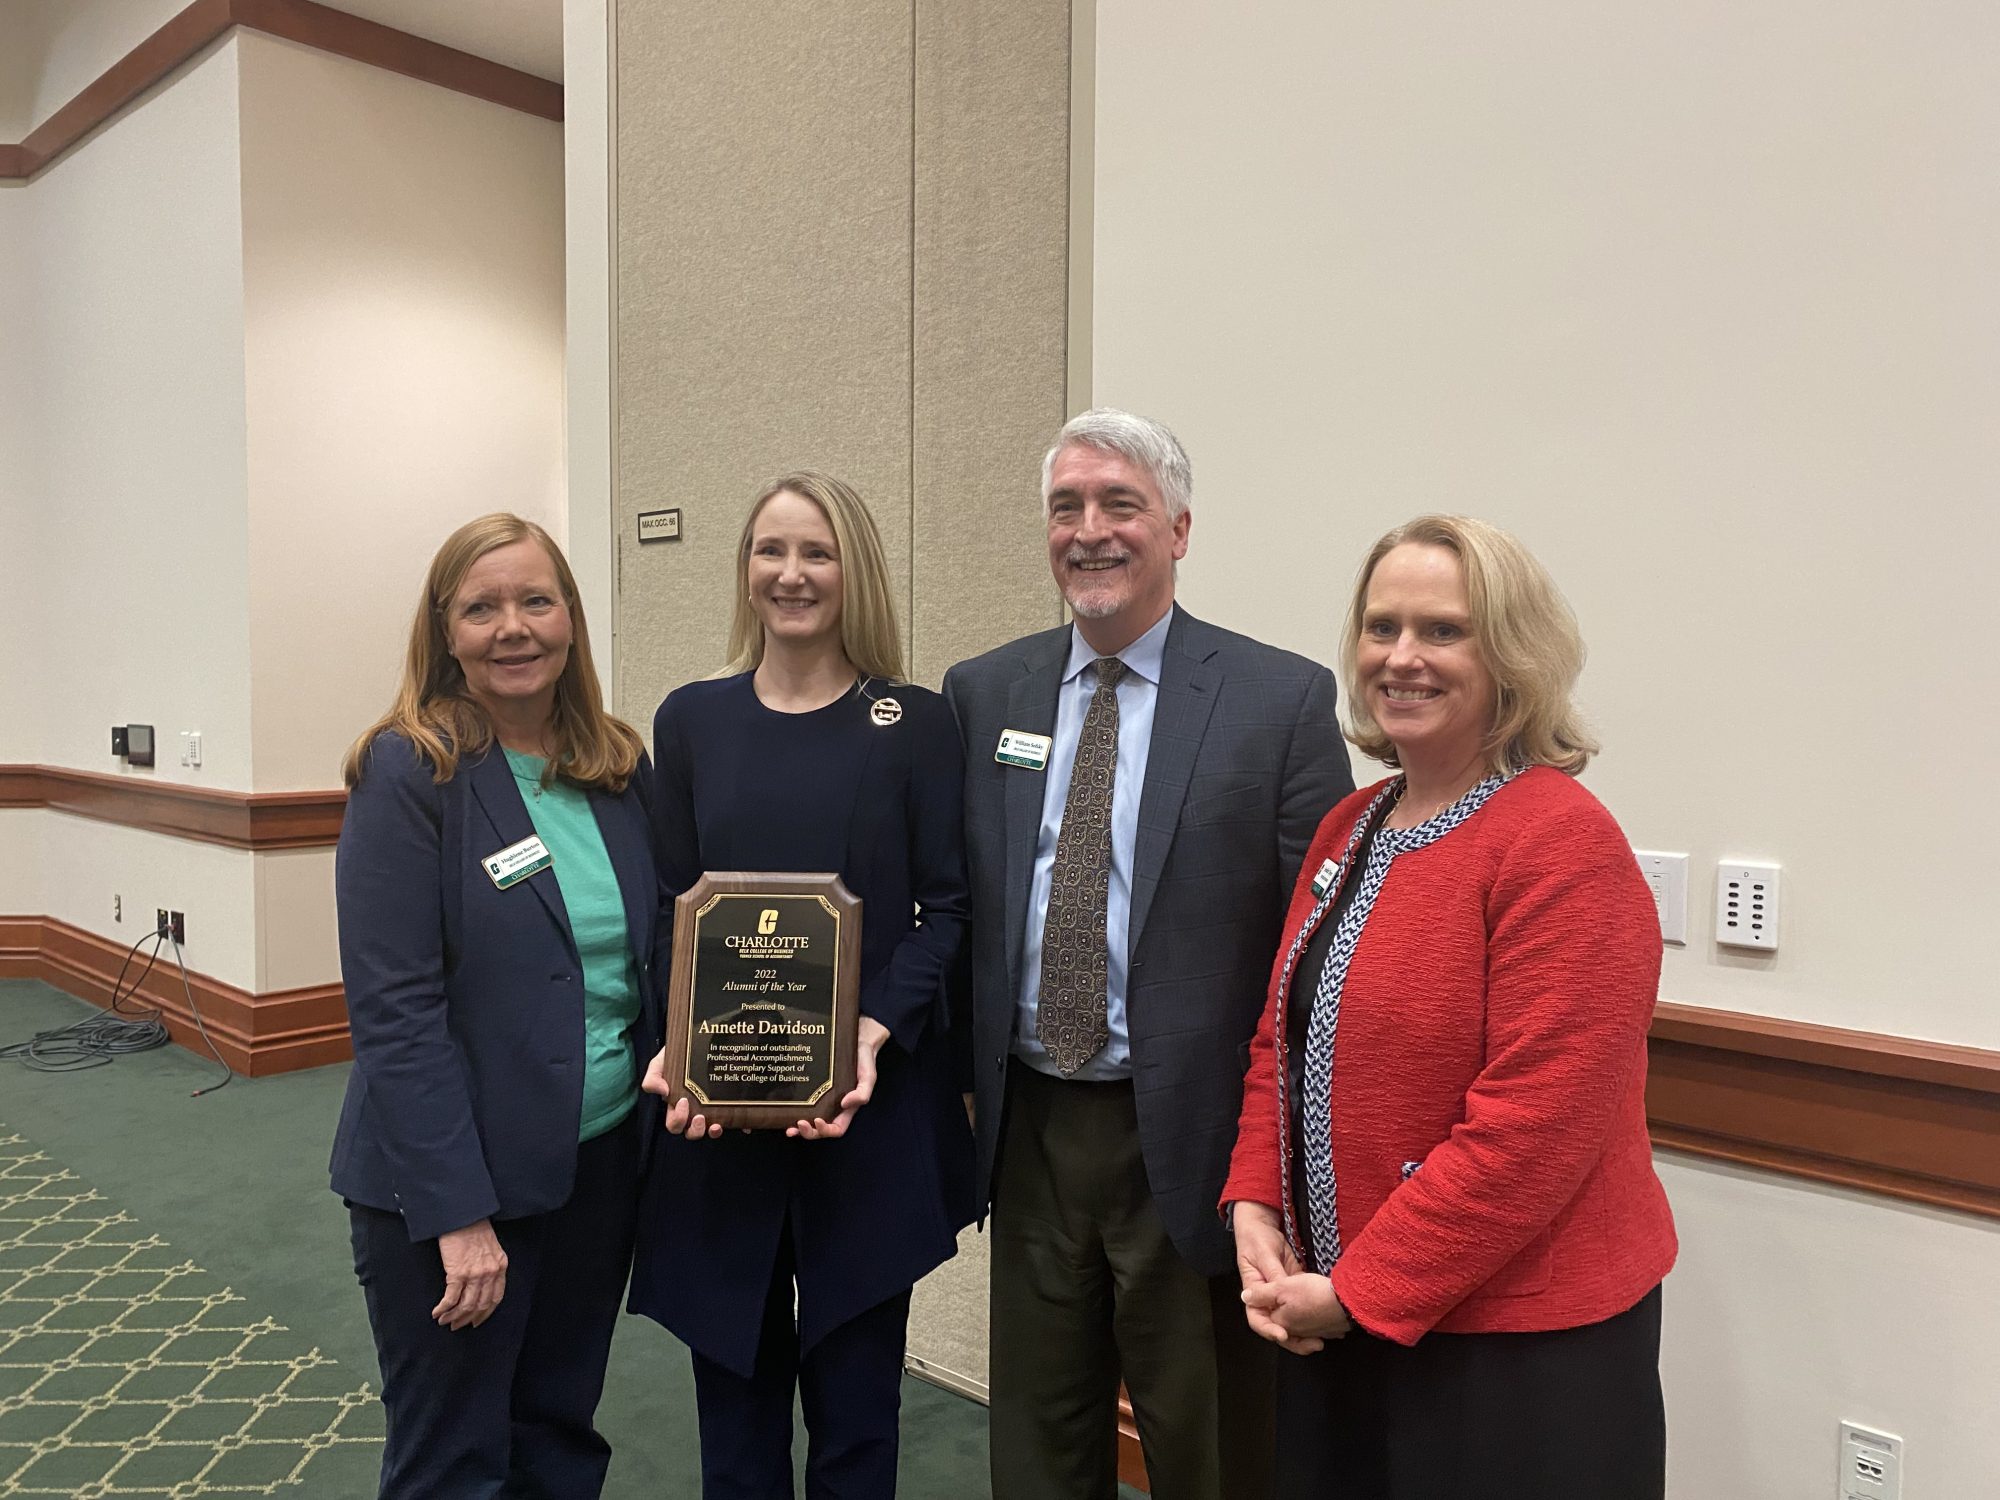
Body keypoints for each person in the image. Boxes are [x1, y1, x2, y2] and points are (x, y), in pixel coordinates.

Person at [942, 409, 1353, 1500]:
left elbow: (1317, 950)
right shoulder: (984, 694)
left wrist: (1277, 1160)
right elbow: (961, 906)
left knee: (1210, 1442)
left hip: (1201, 1142)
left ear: (1176, 527)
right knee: (1038, 1433)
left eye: (1118, 504)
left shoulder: (1278, 701)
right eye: (1065, 507)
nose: (1089, 531)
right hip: (1030, 1126)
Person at [1223, 514, 1678, 1498]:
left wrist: (1356, 1292)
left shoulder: (1560, 842)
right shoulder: (1351, 822)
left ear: (1510, 654)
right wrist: (1255, 1202)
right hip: (1334, 1315)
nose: (1400, 657)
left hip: (1513, 1354)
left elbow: (1533, 1129)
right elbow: (1279, 1040)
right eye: (1379, 627)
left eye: (1441, 630)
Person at [629, 471, 974, 1500]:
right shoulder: (690, 720)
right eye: (769, 551)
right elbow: (668, 908)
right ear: (743, 571)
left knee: (858, 1418)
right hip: (716, 1125)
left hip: (864, 1118)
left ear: (851, 570)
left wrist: (871, 1032)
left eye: (815, 552)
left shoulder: (914, 723)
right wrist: (678, 1056)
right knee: (732, 1422)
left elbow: (946, 911)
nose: (790, 573)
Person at [330, 513, 657, 1498]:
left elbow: (650, 958)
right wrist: (457, 1216)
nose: (511, 627)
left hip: (594, 1167)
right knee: (454, 1461)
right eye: (481, 608)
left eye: (534, 601)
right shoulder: (411, 770)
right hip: (454, 1187)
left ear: (570, 621)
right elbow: (394, 1010)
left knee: (558, 1435)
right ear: (445, 632)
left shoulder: (615, 767)